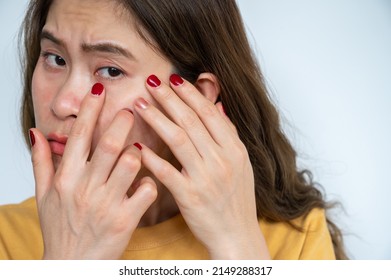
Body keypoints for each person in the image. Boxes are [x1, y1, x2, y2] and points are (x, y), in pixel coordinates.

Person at [0, 0, 347, 260]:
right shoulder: (7, 239)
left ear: (195, 98)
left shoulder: (294, 240)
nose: (63, 104)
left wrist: (237, 247)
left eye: (110, 70)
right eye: (55, 59)